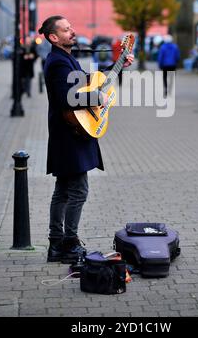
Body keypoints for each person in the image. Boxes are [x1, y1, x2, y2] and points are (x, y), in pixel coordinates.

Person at [38, 16, 134, 264]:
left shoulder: (65, 58)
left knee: (62, 190)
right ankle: (68, 244)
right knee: (78, 191)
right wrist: (96, 99)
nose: (73, 31)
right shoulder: (58, 63)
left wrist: (117, 65)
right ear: (53, 37)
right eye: (66, 29)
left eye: (71, 27)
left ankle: (56, 245)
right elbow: (66, 99)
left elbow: (85, 83)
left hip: (71, 131)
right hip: (70, 133)